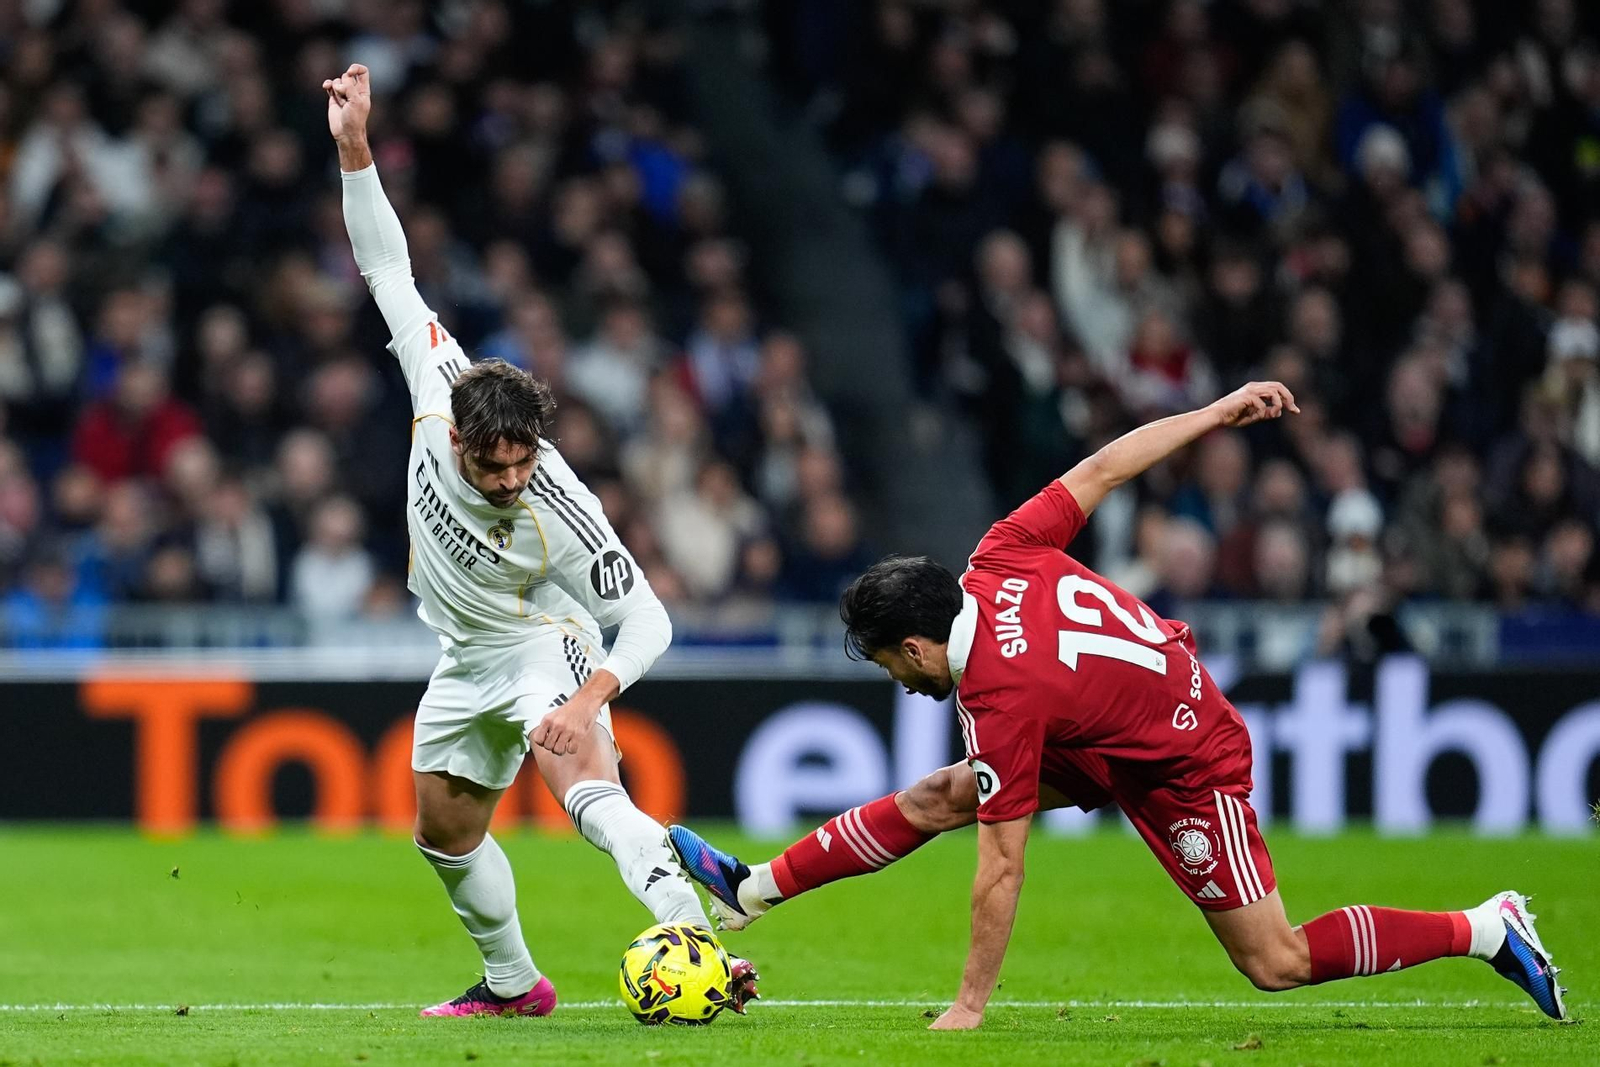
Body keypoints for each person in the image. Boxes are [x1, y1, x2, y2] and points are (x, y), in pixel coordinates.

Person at [668, 381, 1566, 1029]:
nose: (898, 684)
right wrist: (1213, 413)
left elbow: (1002, 870)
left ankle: (1486, 927)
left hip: (1183, 760)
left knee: (1274, 961)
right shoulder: (998, 554)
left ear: (916, 646)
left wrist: (970, 1006)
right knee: (942, 796)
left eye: (890, 667)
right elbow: (1104, 466)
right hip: (1113, 718)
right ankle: (748, 890)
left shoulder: (1001, 700)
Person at [323, 64, 755, 1019]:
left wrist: (593, 692)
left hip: (543, 647)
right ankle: (515, 986)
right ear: (460, 437)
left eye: (525, 463)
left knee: (586, 796)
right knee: (442, 836)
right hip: (464, 651)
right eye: (496, 468)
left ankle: (699, 935)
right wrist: (356, 150)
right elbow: (385, 265)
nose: (512, 479)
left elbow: (646, 616)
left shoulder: (561, 502)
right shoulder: (435, 384)